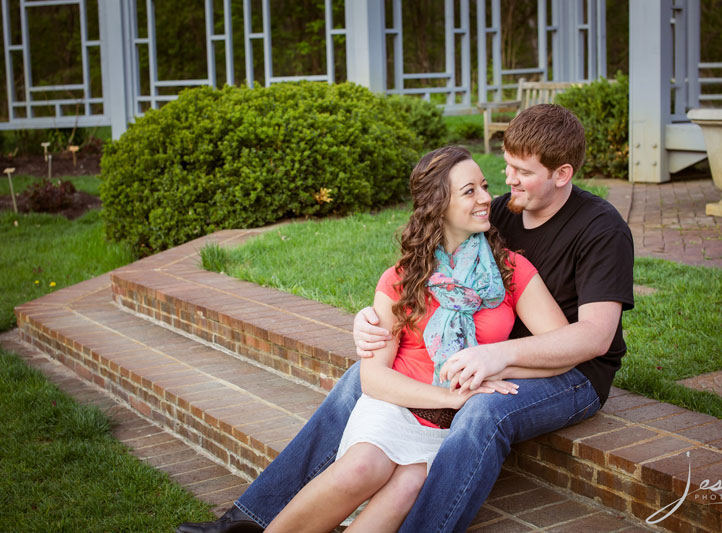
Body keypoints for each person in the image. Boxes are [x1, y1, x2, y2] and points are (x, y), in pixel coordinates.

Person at [176, 104, 634, 533]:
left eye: (523, 172)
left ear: (562, 174)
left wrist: (495, 358)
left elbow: (593, 337)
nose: (506, 180)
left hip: (573, 372)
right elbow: (425, 272)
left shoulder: (600, 228)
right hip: (480, 357)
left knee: (483, 411)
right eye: (507, 167)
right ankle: (248, 518)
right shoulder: (497, 213)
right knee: (363, 375)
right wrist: (374, 322)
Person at [257, 145, 568, 532]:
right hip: (397, 405)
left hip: (452, 430)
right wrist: (451, 395)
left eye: (485, 186)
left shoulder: (510, 270)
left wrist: (497, 363)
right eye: (470, 191)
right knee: (360, 468)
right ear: (438, 205)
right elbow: (373, 378)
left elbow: (562, 346)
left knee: (406, 488)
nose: (487, 198)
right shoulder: (402, 278)